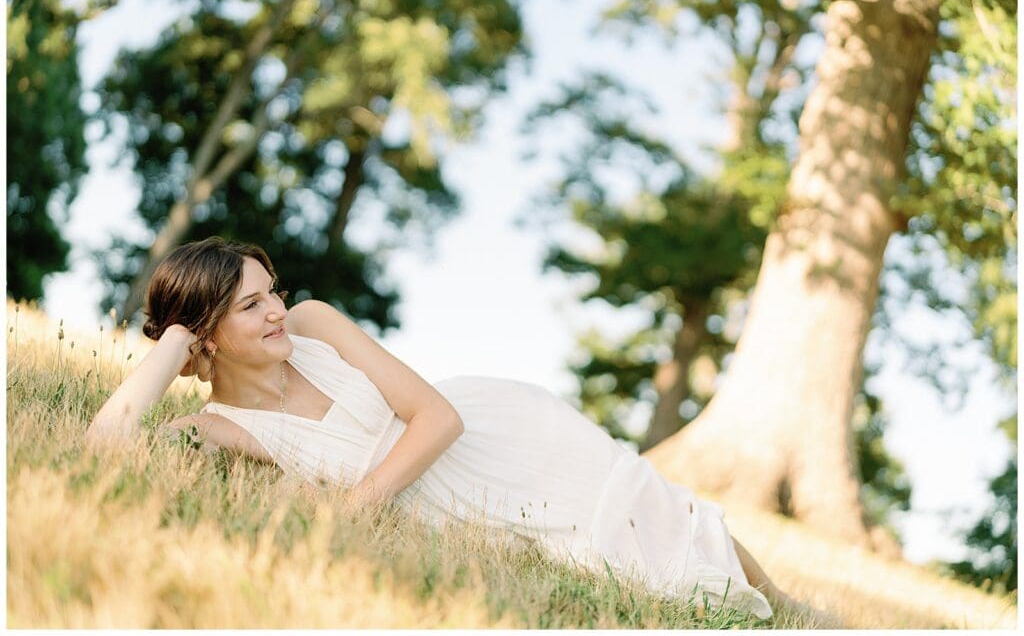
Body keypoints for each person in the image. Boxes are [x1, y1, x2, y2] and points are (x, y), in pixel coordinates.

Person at [85, 236, 835, 626]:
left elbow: (438, 416)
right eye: (251, 307)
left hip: (496, 436)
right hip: (443, 505)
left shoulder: (314, 323)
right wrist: (170, 349)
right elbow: (103, 449)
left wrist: (353, 510)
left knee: (642, 501)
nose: (277, 308)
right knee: (623, 567)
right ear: (208, 334)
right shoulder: (220, 426)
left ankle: (796, 610)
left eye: (270, 290)